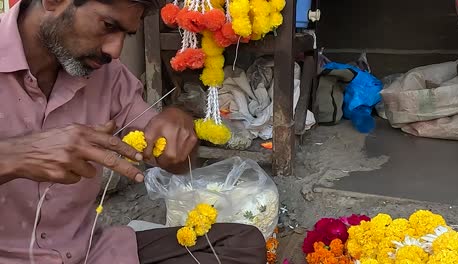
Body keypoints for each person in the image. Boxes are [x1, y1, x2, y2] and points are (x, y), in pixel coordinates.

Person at [0, 0, 267, 263]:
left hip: (90, 253)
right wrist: (14, 156)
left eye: (125, 35)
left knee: (243, 244)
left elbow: (166, 152)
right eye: (107, 25)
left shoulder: (107, 75)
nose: (115, 51)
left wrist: (177, 127)